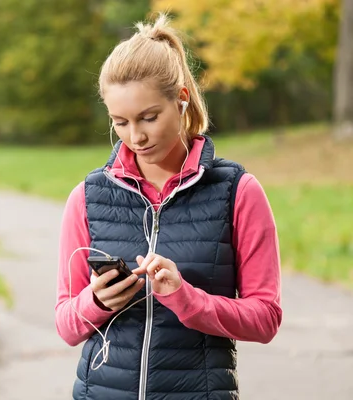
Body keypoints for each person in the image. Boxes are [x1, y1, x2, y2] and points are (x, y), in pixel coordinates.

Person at [55, 13, 282, 400]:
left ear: (181, 98)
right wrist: (95, 302)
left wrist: (185, 298)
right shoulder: (87, 197)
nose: (136, 136)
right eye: (120, 122)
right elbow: (66, 324)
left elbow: (265, 319)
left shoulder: (237, 192)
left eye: (149, 117)